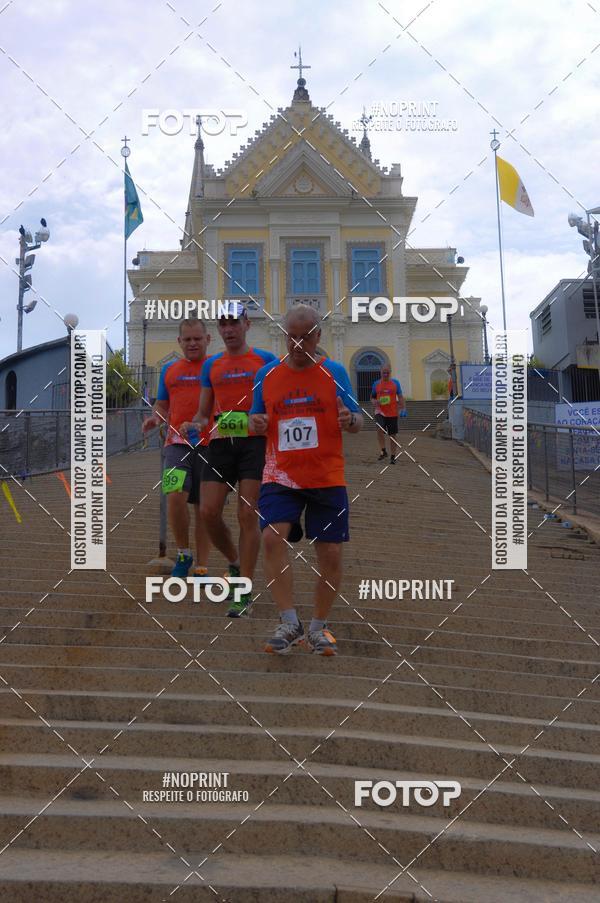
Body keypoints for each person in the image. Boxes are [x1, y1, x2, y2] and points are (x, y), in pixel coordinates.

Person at [249, 304, 363, 656]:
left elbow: (358, 420)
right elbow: (255, 417)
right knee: (270, 538)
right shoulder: (267, 375)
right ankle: (288, 620)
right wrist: (257, 424)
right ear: (284, 336)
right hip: (279, 473)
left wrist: (350, 420)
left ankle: (317, 627)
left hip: (326, 475)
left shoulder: (336, 373)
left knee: (329, 551)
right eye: (291, 337)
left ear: (318, 336)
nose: (297, 345)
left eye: (305, 338)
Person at [183, 301, 277, 618]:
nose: (228, 329)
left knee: (247, 516)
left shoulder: (265, 360)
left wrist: (264, 420)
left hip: (255, 445)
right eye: (223, 324)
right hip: (221, 443)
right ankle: (236, 561)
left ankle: (243, 592)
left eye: (234, 323)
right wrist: (194, 424)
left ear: (246, 325)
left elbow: (278, 401)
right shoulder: (212, 366)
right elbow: (203, 411)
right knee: (208, 512)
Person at [142, 318, 212, 580]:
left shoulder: (215, 368)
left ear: (208, 339)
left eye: (197, 338)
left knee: (204, 508)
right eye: (187, 339)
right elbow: (161, 405)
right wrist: (154, 418)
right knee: (174, 495)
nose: (192, 343)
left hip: (210, 446)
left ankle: (202, 566)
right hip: (176, 445)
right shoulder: (170, 370)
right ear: (179, 342)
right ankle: (184, 553)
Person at [371, 366, 406, 464]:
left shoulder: (395, 383)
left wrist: (403, 408)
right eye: (384, 373)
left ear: (390, 372)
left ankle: (393, 456)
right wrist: (374, 402)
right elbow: (372, 397)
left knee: (392, 435)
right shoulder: (376, 384)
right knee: (379, 429)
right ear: (380, 372)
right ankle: (383, 451)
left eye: (387, 373)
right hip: (380, 412)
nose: (385, 374)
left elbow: (400, 396)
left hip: (392, 413)